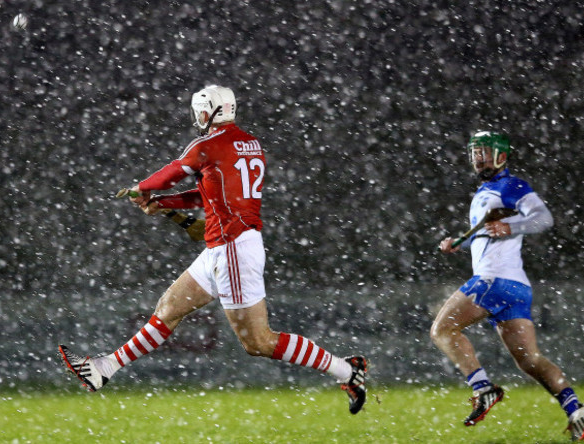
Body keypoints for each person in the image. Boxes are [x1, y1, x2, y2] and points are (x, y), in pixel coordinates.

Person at [58, 85, 368, 414]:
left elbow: (171, 174)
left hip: (232, 247)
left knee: (258, 342)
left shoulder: (208, 144)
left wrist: (141, 189)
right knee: (169, 308)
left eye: (200, 112)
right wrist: (163, 204)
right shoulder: (250, 143)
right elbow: (207, 193)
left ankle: (348, 371)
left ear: (210, 112)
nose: (198, 119)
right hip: (226, 246)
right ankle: (104, 369)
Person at [431, 131, 584, 441]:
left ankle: (483, 389)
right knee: (529, 360)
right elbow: (489, 237)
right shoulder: (485, 192)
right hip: (516, 286)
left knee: (443, 330)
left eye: (485, 152)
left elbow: (543, 218)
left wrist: (512, 225)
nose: (479, 158)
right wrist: (459, 244)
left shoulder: (511, 185)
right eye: (475, 153)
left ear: (502, 156)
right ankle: (576, 408)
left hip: (495, 279)